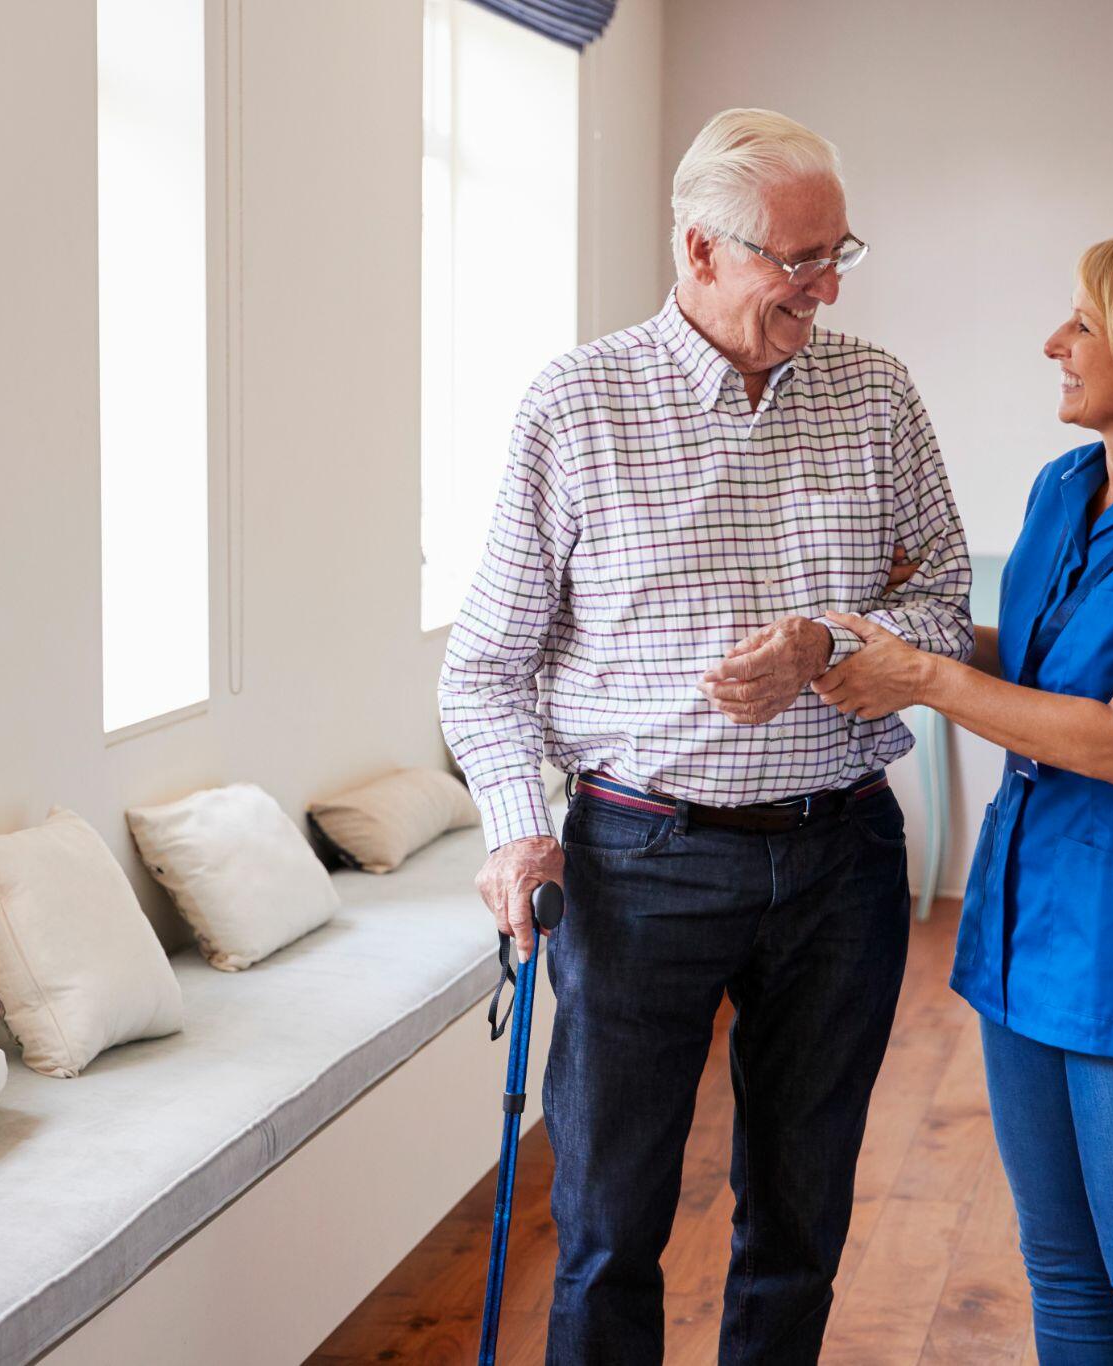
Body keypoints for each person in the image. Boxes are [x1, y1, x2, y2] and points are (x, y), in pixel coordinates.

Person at [438, 108, 973, 1364]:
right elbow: (484, 669)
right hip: (640, 864)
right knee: (608, 1229)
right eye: (798, 259)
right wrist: (515, 831)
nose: (825, 286)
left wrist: (824, 642)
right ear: (699, 250)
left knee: (798, 1227)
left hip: (839, 861)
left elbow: (945, 607)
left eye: (838, 253)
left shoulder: (875, 391)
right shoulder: (575, 404)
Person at [813, 228, 1113, 1363]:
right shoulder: (1063, 487)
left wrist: (923, 678)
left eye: (1082, 322)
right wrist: (893, 642)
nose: (1054, 343)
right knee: (1062, 1274)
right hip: (1024, 922)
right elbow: (1042, 668)